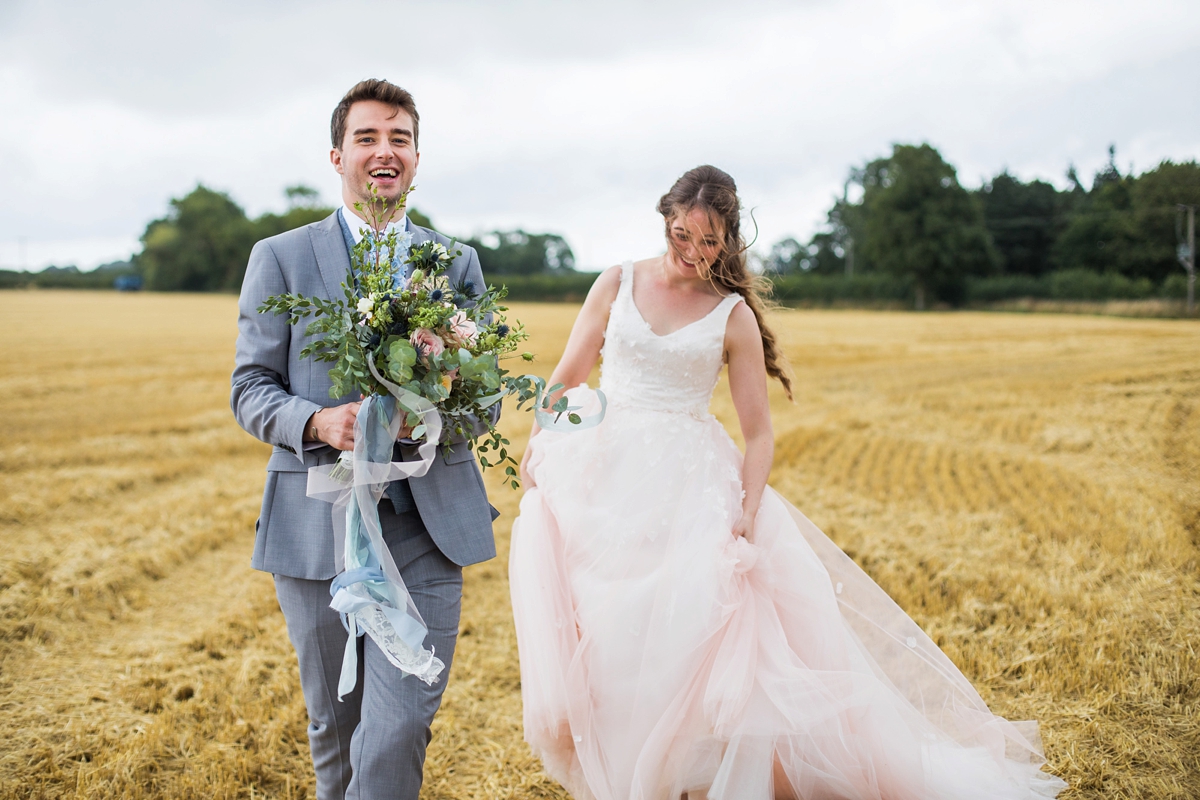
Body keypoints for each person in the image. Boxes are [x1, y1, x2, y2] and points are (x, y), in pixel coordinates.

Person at [510, 165, 1066, 800]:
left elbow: (759, 434)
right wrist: (537, 440)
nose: (693, 253)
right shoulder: (616, 282)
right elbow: (566, 378)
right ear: (666, 219)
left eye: (710, 242)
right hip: (605, 482)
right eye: (682, 235)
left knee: (685, 642)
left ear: (729, 242)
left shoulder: (732, 316)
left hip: (689, 490)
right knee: (608, 636)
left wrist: (746, 512)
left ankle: (682, 779)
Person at [231, 79, 497, 800]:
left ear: (416, 158)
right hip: (317, 528)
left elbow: (487, 399)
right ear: (338, 155)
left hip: (428, 528)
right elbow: (249, 389)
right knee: (336, 726)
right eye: (368, 138)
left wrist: (432, 413)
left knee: (399, 727)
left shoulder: (456, 263)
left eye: (400, 138)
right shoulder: (280, 257)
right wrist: (317, 423)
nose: (386, 151)